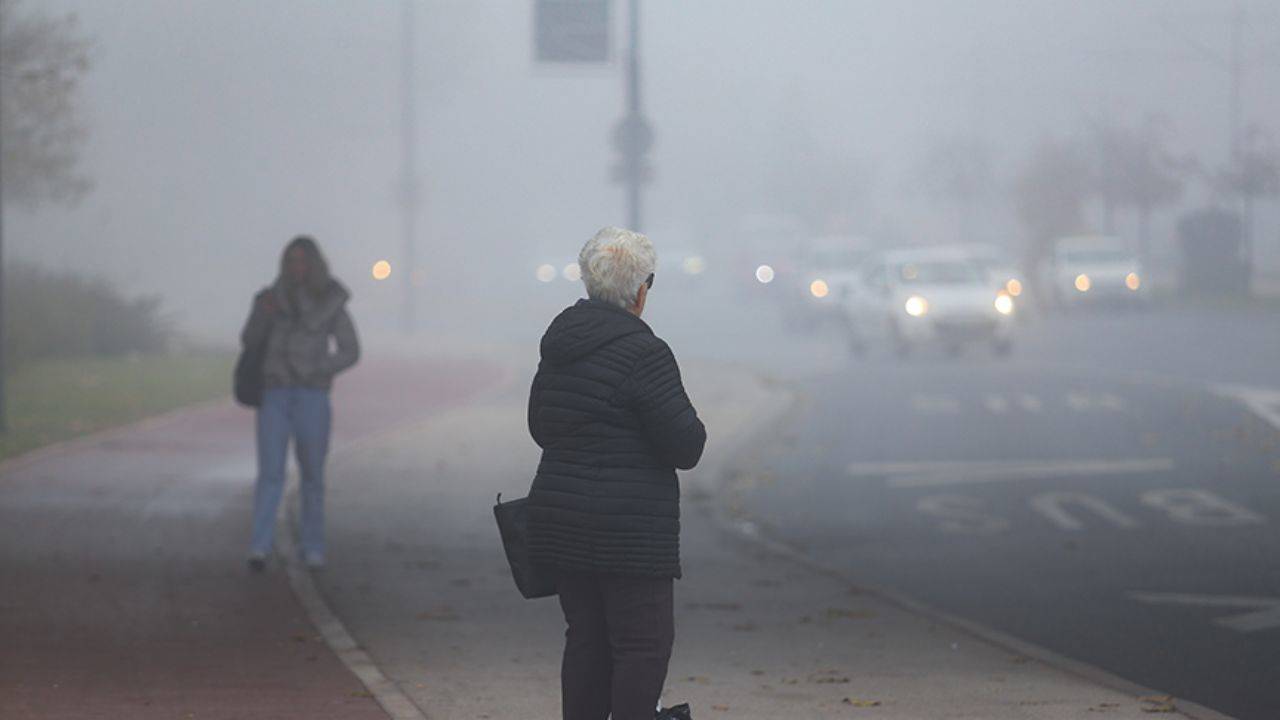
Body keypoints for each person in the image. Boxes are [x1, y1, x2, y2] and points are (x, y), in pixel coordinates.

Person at [526, 226, 707, 720]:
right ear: (641, 289)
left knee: (586, 642)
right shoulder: (646, 353)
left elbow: (541, 426)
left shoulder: (559, 344)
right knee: (642, 649)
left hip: (562, 523)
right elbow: (686, 445)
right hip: (629, 533)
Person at [240, 236, 359, 571]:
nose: (296, 268)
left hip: (312, 395)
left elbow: (351, 349)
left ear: (314, 264)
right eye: (291, 261)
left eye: (303, 261)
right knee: (270, 472)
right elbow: (248, 340)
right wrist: (262, 316)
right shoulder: (269, 299)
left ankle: (313, 546)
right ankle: (260, 546)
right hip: (274, 392)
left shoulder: (330, 303)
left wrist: (319, 369)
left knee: (312, 474)